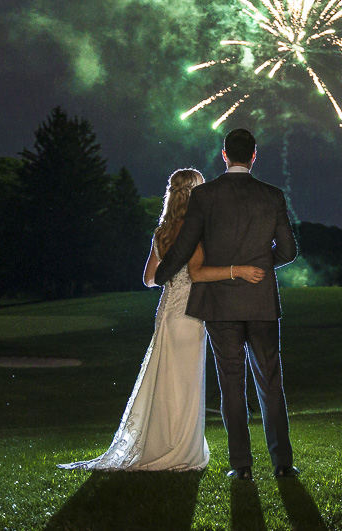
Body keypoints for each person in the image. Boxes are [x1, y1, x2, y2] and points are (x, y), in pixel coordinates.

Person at [58, 168, 264, 471]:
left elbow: (149, 279)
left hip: (167, 311)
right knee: (183, 384)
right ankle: (178, 449)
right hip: (188, 316)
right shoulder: (195, 230)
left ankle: (163, 442)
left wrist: (174, 278)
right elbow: (197, 273)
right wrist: (236, 270)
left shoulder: (163, 231)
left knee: (165, 380)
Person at [154, 128, 298, 481]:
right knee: (270, 381)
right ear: (253, 156)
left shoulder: (205, 196)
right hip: (261, 301)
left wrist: (163, 275)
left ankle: (242, 466)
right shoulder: (273, 196)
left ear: (223, 155)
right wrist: (262, 266)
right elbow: (290, 251)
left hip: (220, 306)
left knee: (232, 383)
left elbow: (185, 245)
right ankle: (282, 463)